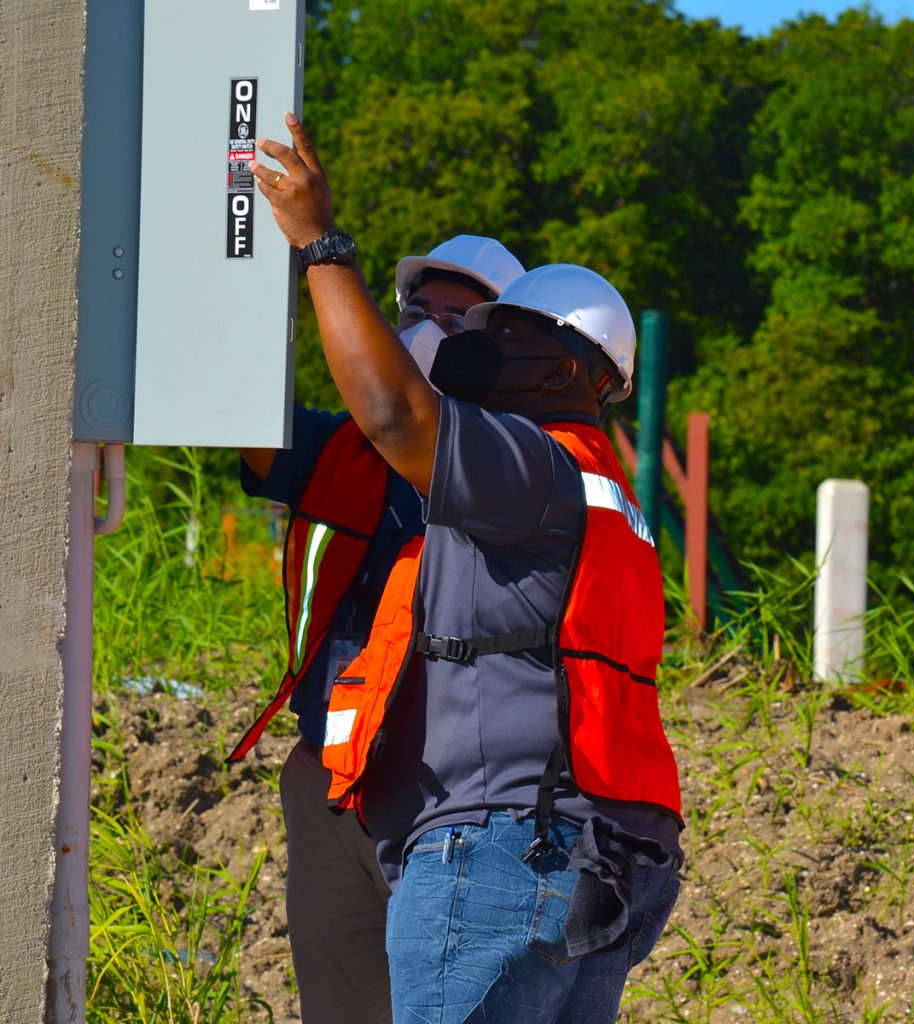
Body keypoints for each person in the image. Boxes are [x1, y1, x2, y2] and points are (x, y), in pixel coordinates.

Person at [253, 113, 683, 1024]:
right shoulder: (605, 489)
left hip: (501, 841)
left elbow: (396, 419)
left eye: (498, 329)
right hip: (595, 838)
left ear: (567, 366)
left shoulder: (531, 463)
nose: (471, 343)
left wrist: (322, 246)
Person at [228, 234, 525, 1023]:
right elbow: (242, 406)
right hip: (329, 779)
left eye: (456, 320)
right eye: (417, 310)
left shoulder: (512, 467)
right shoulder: (339, 452)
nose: (427, 331)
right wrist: (252, 275)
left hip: (449, 795)